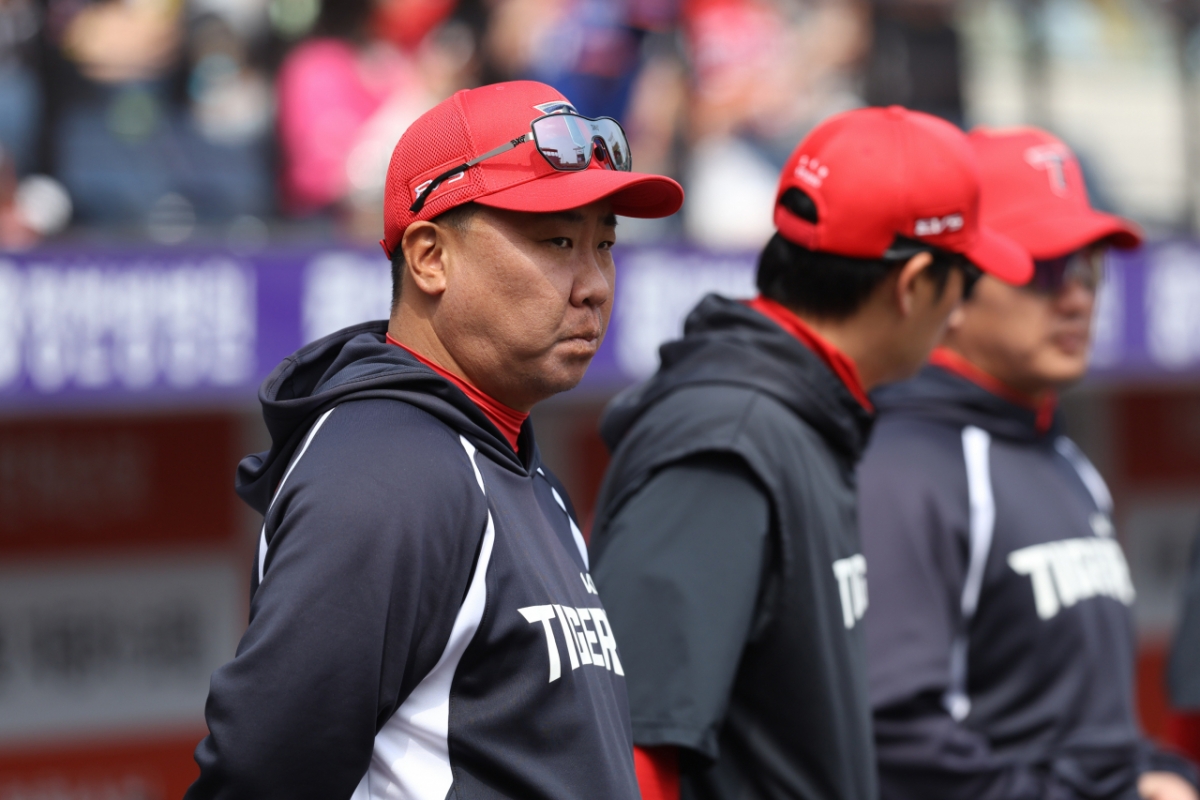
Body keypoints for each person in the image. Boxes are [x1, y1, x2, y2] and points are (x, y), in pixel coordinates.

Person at [185, 80, 683, 799]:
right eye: (558, 241)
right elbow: (259, 779)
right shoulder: (386, 472)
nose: (594, 285)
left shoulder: (507, 457)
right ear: (429, 257)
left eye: (603, 244)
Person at [589, 106, 1032, 800]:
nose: (961, 309)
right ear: (914, 285)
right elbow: (630, 749)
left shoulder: (797, 413)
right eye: (964, 281)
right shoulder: (729, 440)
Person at [858, 126, 1199, 800]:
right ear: (948, 287)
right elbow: (893, 741)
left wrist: (1160, 777)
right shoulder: (900, 468)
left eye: (1089, 265)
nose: (1077, 296)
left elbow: (1090, 735)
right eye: (1042, 268)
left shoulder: (1065, 459)